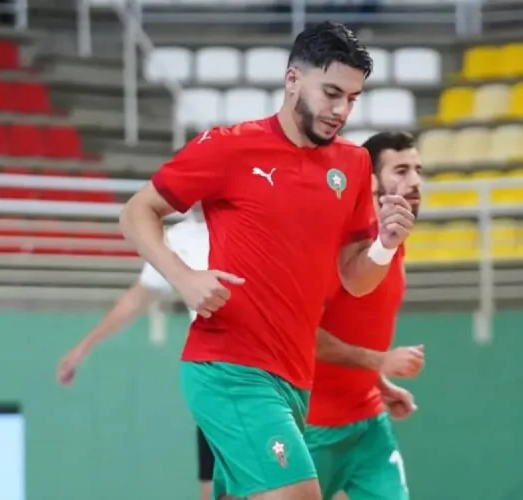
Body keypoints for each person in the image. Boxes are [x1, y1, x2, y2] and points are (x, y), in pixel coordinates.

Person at [119, 21, 415, 500]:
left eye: (353, 98)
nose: (341, 110)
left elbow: (355, 280)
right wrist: (184, 278)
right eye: (332, 92)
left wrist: (383, 244)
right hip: (228, 369)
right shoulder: (230, 146)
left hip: (295, 380)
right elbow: (136, 212)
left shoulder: (354, 165)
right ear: (292, 79)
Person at [55, 207, 224, 500]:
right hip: (215, 378)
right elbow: (138, 297)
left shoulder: (251, 219)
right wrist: (83, 347)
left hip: (267, 368)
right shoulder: (179, 237)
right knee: (213, 488)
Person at [306, 131, 424, 500]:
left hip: (368, 424)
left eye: (418, 170)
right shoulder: (339, 247)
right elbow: (305, 336)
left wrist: (377, 383)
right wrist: (381, 362)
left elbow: (356, 329)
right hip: (311, 428)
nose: (415, 182)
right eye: (401, 170)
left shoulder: (393, 244)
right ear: (369, 181)